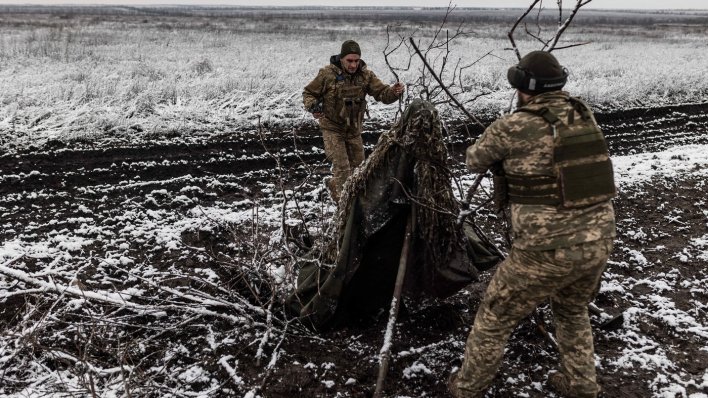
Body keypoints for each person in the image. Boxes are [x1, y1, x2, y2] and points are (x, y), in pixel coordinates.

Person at [449, 51, 617, 398]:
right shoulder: (582, 113)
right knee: (571, 310)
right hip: (598, 238)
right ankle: (581, 386)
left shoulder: (513, 125)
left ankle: (466, 390)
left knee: (495, 316)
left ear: (524, 87)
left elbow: (473, 160)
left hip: (545, 249)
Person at [303, 40, 405, 203]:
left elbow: (383, 94)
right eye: (349, 60)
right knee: (343, 169)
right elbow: (308, 93)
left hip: (353, 130)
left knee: (359, 170)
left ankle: (342, 192)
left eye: (356, 60)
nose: (353, 65)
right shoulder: (327, 74)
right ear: (342, 58)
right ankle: (344, 208)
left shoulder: (366, 76)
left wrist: (395, 91)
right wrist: (313, 107)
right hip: (332, 128)